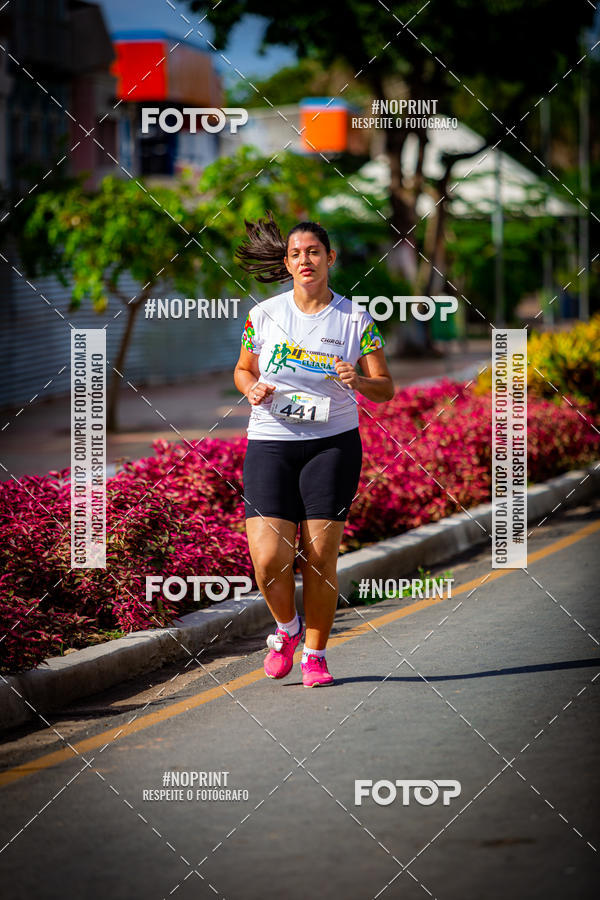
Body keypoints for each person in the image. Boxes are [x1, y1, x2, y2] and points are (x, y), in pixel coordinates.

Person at [233, 211, 394, 687]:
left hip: (332, 447)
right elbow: (242, 370)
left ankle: (316, 655)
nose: (305, 260)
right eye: (296, 253)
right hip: (270, 444)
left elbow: (386, 388)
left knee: (319, 555)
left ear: (330, 258)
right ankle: (287, 628)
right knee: (268, 559)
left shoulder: (356, 319)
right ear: (287, 262)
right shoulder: (263, 316)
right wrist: (251, 389)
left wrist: (359, 379)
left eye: (314, 252)